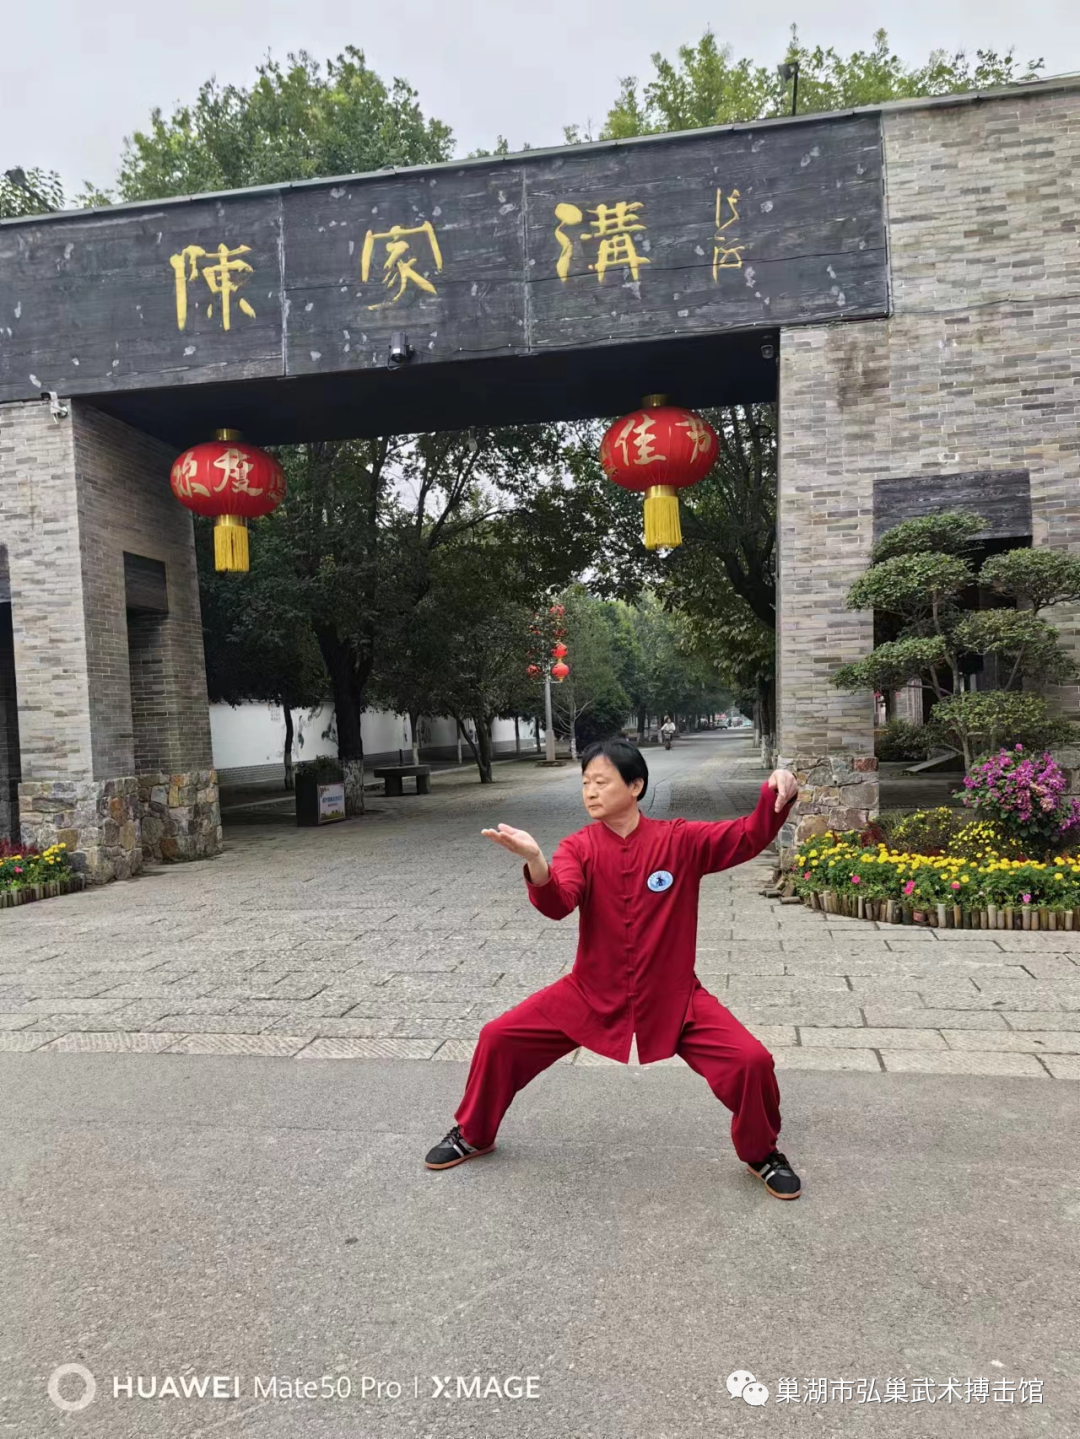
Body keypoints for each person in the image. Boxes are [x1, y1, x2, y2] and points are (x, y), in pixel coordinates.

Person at [424, 738, 803, 1199]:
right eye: (585, 783)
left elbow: (747, 835)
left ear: (635, 785)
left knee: (751, 1061)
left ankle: (761, 1152)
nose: (590, 791)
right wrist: (537, 862)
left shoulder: (680, 840)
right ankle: (473, 1133)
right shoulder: (579, 847)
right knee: (498, 1037)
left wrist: (776, 789)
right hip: (590, 992)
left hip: (673, 995)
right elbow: (559, 902)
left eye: (601, 782)